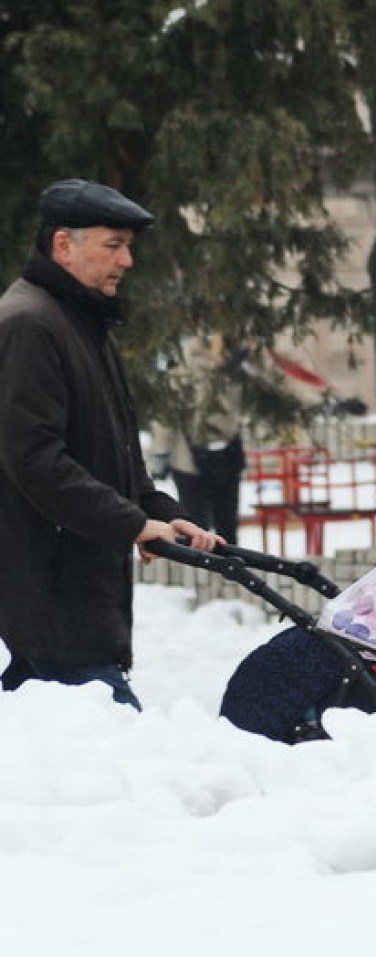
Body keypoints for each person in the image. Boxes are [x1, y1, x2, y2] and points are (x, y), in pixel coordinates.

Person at [0, 178, 221, 708]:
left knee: (65, 753)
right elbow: (34, 458)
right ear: (63, 245)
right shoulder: (31, 324)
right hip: (51, 589)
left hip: (72, 592)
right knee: (109, 737)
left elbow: (113, 455)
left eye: (129, 247)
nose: (126, 261)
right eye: (113, 245)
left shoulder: (80, 322)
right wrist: (130, 523)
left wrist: (160, 511)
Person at [150, 334, 247, 544]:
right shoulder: (232, 373)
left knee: (194, 525)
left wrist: (160, 451)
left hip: (188, 459)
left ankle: (197, 572)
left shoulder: (180, 373)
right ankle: (230, 569)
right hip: (228, 454)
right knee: (227, 524)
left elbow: (166, 418)